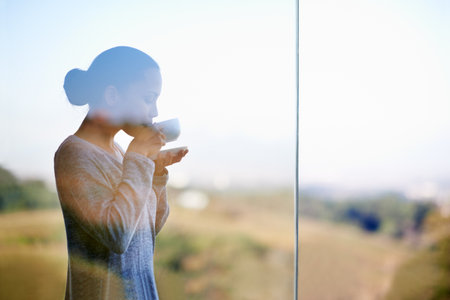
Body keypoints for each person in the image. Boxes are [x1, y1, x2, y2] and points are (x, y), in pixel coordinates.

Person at [54, 46, 188, 300]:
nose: (156, 112)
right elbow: (117, 236)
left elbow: (147, 231)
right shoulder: (75, 154)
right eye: (149, 98)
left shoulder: (118, 152)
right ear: (112, 95)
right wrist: (138, 158)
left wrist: (156, 176)